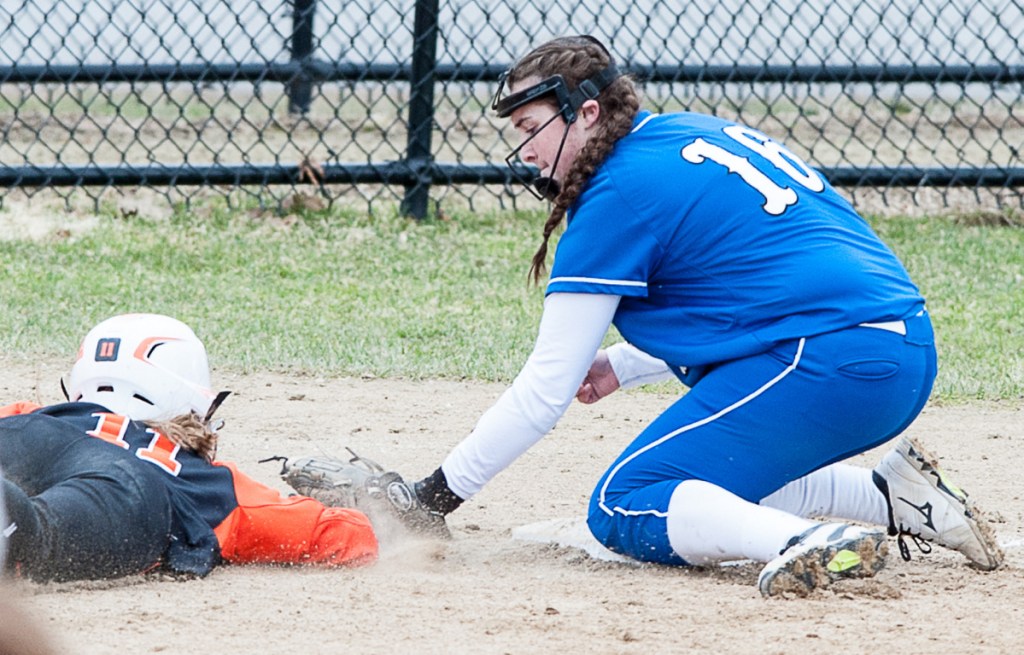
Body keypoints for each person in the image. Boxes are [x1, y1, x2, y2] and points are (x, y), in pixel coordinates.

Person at [405, 35, 1003, 596]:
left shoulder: (617, 192)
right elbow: (755, 292)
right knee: (718, 477)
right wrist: (625, 364)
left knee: (624, 503)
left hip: (832, 360)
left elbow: (545, 389)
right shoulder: (682, 134)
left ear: (586, 113)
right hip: (895, 351)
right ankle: (896, 499)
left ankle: (805, 541)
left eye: (532, 127)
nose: (526, 150)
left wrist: (430, 497)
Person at [0, 313, 377, 583]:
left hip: (33, 433)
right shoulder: (210, 483)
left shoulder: (31, 413)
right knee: (38, 534)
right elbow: (347, 539)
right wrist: (363, 508)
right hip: (126, 484)